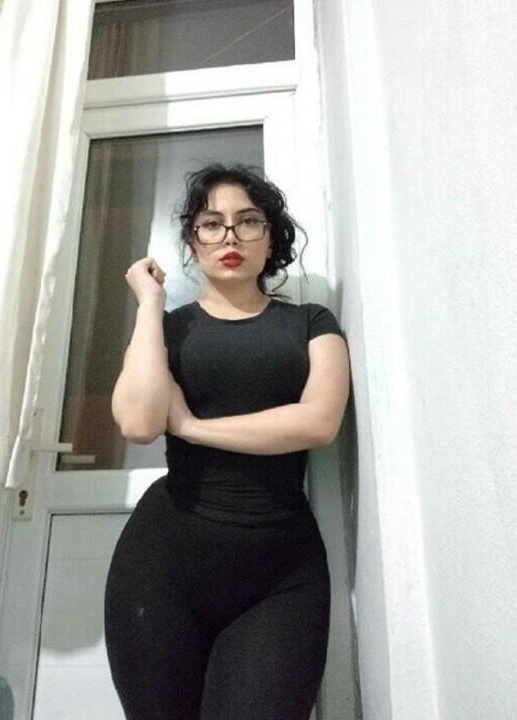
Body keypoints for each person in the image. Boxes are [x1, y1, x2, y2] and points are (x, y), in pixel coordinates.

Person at [104, 163, 350, 720]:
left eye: (249, 221)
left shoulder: (313, 323)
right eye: (212, 224)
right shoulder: (168, 329)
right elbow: (139, 422)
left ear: (272, 237)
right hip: (163, 566)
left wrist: (192, 427)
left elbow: (318, 423)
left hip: (280, 574)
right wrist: (149, 303)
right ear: (193, 240)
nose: (231, 236)